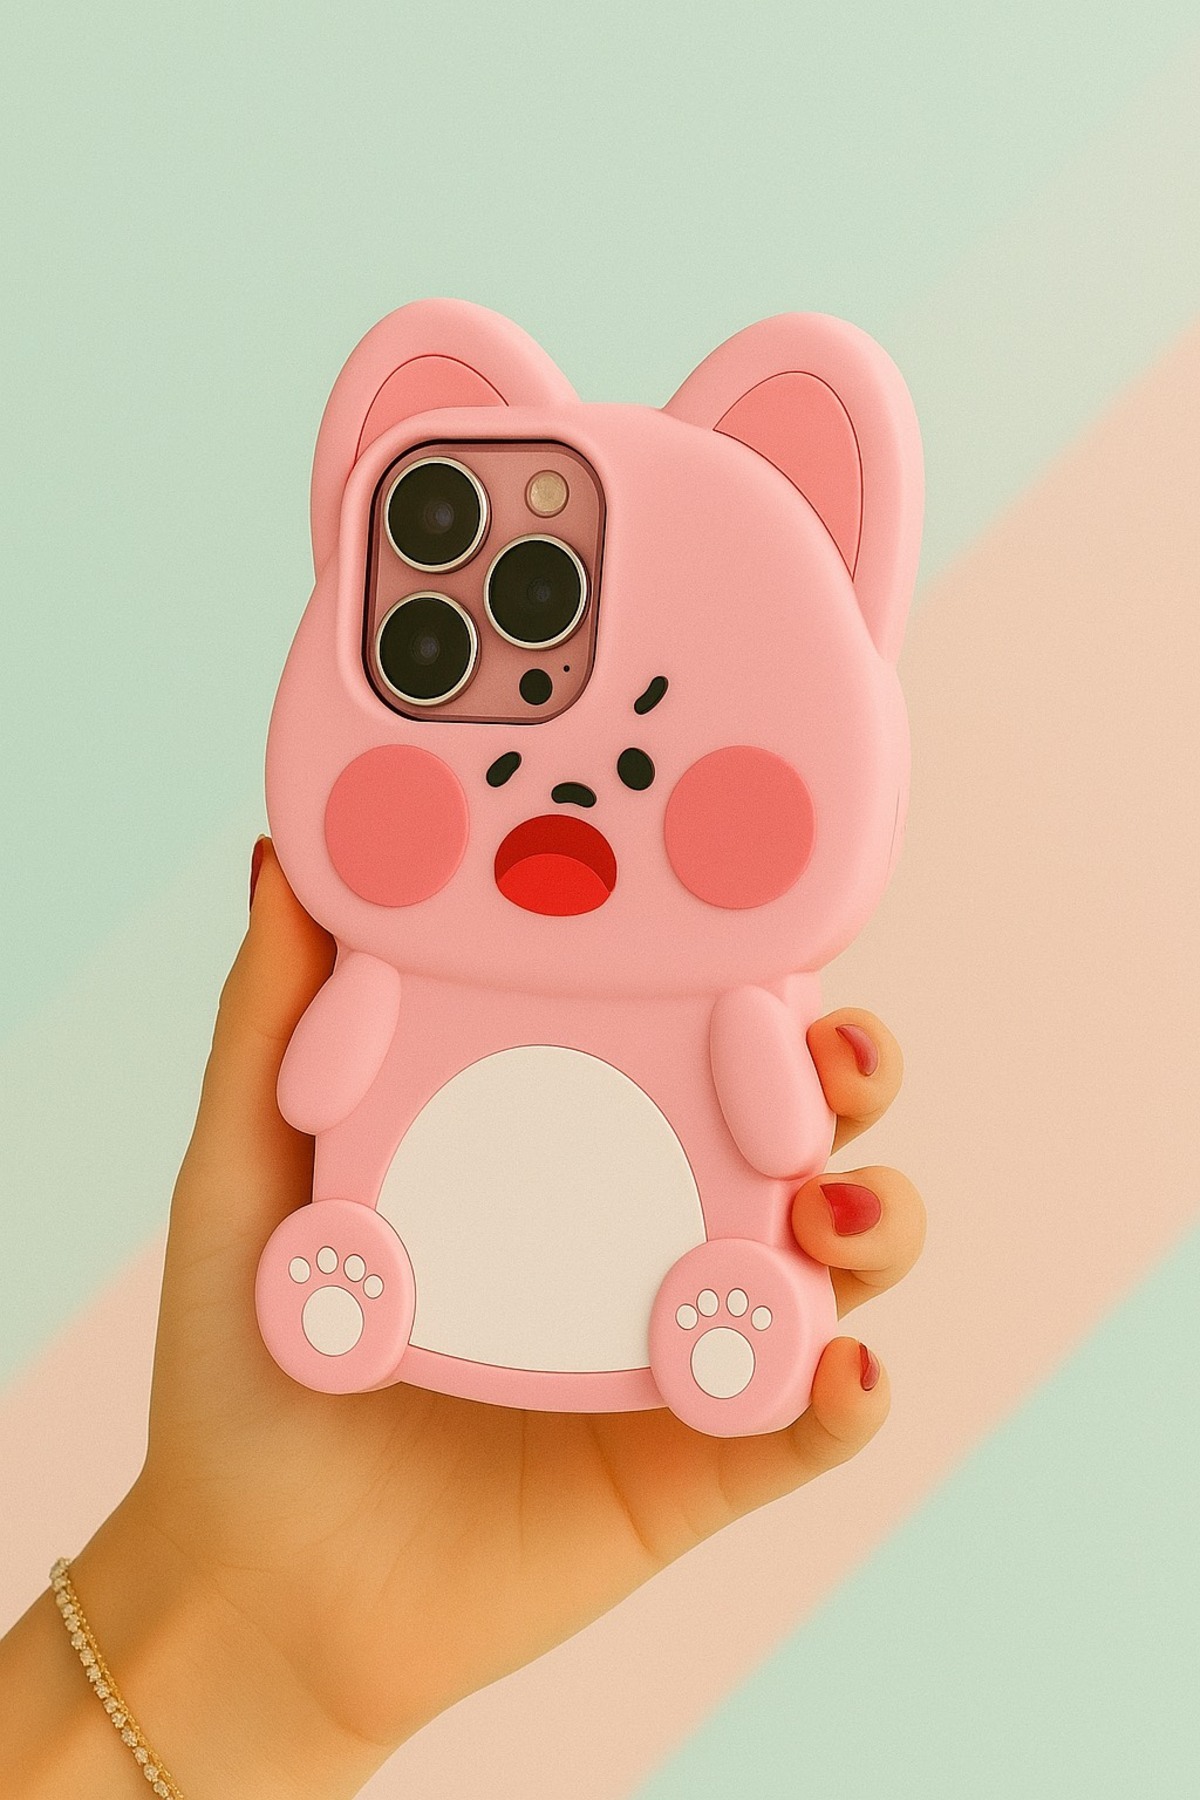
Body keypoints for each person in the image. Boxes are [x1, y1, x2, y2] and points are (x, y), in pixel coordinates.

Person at [0, 840, 926, 1797]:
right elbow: (312, 1087)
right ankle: (386, 1281)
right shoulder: (398, 960)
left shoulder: (731, 992)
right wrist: (245, 1629)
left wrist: (259, 1646)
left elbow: (782, 1126)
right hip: (422, 1229)